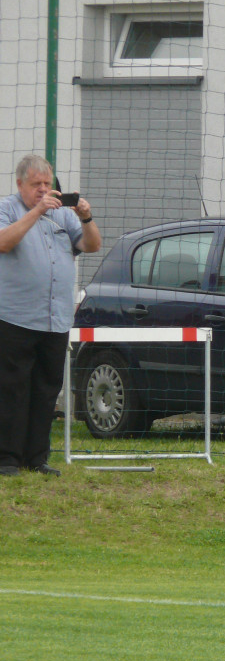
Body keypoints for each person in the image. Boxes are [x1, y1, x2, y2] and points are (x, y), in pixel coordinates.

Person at [0, 155, 102, 476]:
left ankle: (37, 458)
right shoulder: (7, 208)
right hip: (15, 318)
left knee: (46, 390)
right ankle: (7, 459)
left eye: (48, 183)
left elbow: (92, 245)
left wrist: (86, 218)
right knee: (13, 389)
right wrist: (36, 211)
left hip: (56, 320)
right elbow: (4, 242)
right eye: (36, 185)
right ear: (20, 185)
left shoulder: (63, 215)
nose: (44, 190)